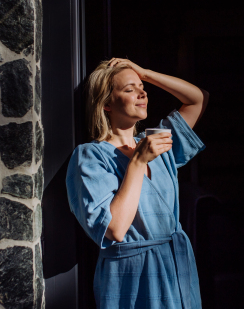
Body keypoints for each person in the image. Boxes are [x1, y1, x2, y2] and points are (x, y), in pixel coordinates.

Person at [66, 58, 209, 309]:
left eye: (142, 87)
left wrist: (144, 72)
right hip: (132, 274)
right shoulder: (91, 156)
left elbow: (197, 99)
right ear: (107, 103)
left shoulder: (157, 141)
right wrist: (138, 162)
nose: (142, 92)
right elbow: (115, 229)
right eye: (130, 89)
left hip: (176, 265)